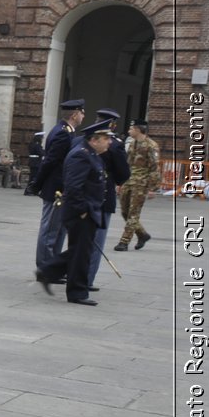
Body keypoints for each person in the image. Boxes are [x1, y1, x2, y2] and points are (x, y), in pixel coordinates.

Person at [37, 120, 114, 306]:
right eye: (106, 139)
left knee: (79, 251)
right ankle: (76, 292)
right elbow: (73, 187)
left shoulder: (92, 154)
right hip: (81, 212)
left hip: (89, 210)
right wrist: (82, 211)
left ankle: (49, 272)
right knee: (81, 253)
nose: (109, 142)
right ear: (94, 140)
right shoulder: (81, 156)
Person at [30, 98, 84, 274]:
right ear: (75, 114)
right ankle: (45, 268)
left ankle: (52, 265)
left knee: (58, 229)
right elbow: (51, 161)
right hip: (56, 188)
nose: (83, 116)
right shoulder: (63, 133)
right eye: (82, 112)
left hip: (61, 187)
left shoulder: (65, 131)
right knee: (50, 230)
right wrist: (36, 184)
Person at [84, 108, 131, 290]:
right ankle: (86, 279)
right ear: (112, 124)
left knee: (80, 240)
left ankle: (73, 274)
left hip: (82, 196)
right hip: (103, 197)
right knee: (97, 241)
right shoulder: (116, 145)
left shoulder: (83, 140)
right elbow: (123, 174)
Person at [116, 118, 160, 251]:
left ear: (138, 130)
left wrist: (153, 188)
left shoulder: (151, 146)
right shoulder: (132, 144)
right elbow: (127, 164)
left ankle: (124, 242)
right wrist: (120, 182)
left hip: (141, 184)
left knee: (133, 213)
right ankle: (142, 234)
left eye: (131, 129)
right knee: (124, 212)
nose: (129, 131)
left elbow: (155, 167)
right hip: (129, 181)